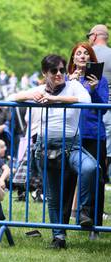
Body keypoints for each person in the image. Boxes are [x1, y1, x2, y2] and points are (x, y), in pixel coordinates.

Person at [8, 54, 96, 249]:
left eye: (62, 70)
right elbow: (11, 97)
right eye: (54, 71)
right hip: (45, 147)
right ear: (44, 73)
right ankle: (59, 238)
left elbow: (86, 99)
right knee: (53, 196)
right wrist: (31, 96)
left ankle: (84, 212)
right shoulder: (39, 90)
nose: (59, 74)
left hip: (71, 145)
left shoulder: (74, 86)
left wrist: (54, 99)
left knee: (90, 168)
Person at [67, 42, 109, 239]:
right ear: (73, 59)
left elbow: (104, 106)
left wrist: (92, 89)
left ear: (91, 58)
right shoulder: (66, 79)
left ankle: (95, 226)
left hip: (93, 135)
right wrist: (69, 83)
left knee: (96, 180)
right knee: (67, 179)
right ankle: (62, 225)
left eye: (86, 53)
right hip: (71, 134)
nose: (82, 56)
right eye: (78, 54)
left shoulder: (101, 80)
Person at [88, 25, 111, 183]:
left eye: (89, 35)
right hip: (107, 105)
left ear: (95, 36)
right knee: (106, 147)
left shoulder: (86, 54)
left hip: (88, 107)